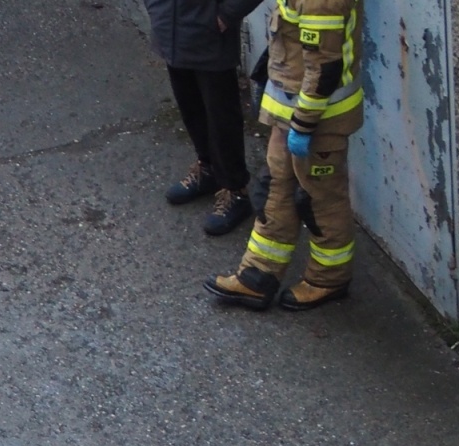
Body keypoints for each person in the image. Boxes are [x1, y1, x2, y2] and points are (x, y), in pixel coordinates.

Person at [205, 0, 363, 310]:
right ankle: (257, 276)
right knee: (275, 192)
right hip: (292, 117)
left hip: (317, 122)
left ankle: (329, 279)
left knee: (321, 201)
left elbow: (324, 68)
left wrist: (303, 125)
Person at [147, 0, 266, 235]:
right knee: (190, 106)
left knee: (221, 115)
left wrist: (226, 15)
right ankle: (208, 168)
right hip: (169, 25)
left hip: (209, 28)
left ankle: (235, 189)